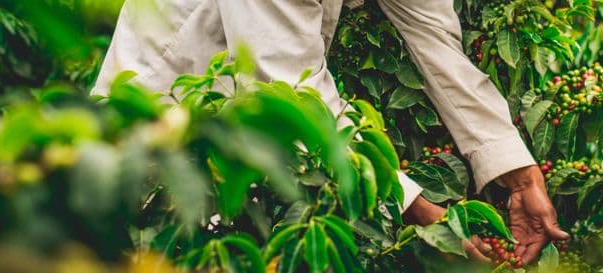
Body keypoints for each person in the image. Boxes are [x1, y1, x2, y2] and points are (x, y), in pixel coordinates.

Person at [93, 0, 569, 263]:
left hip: (250, 135)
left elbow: (435, 37)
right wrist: (426, 216)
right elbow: (288, 89)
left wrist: (518, 172)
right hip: (169, 120)